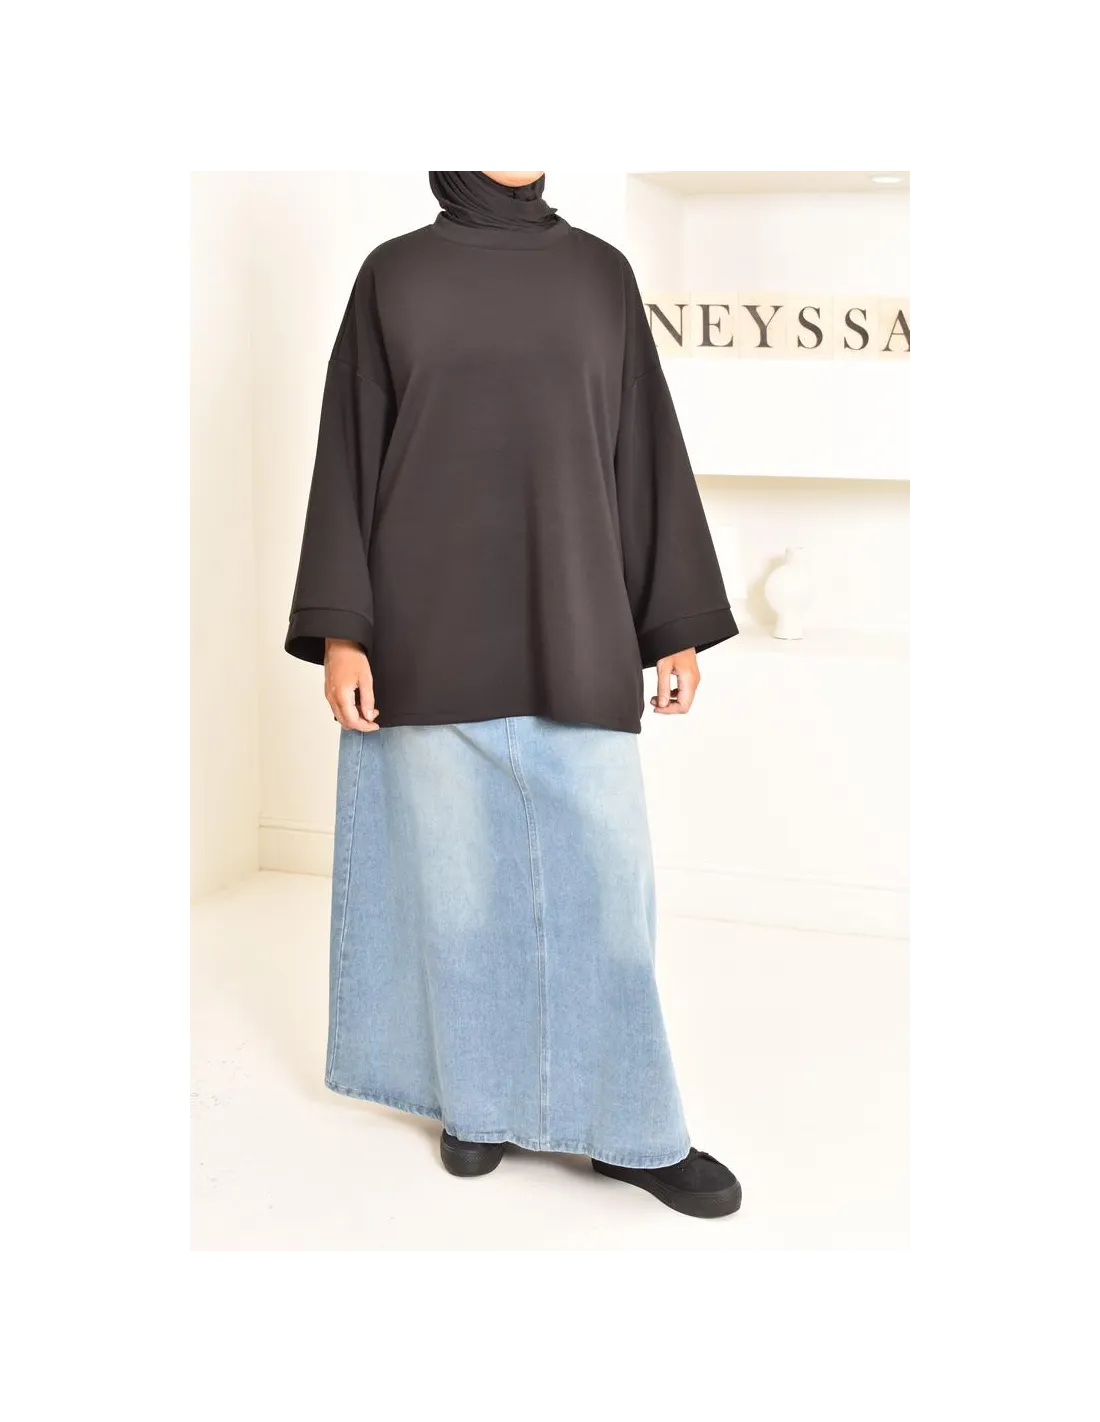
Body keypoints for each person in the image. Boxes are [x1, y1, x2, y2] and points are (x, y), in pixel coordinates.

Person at [284, 168, 742, 1219]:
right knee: (458, 899)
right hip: (425, 629)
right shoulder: (394, 276)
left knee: (608, 897)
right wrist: (345, 633)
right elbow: (348, 457)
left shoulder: (598, 276)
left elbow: (642, 456)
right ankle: (479, 1106)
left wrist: (671, 624)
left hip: (575, 621)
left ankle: (630, 1131)